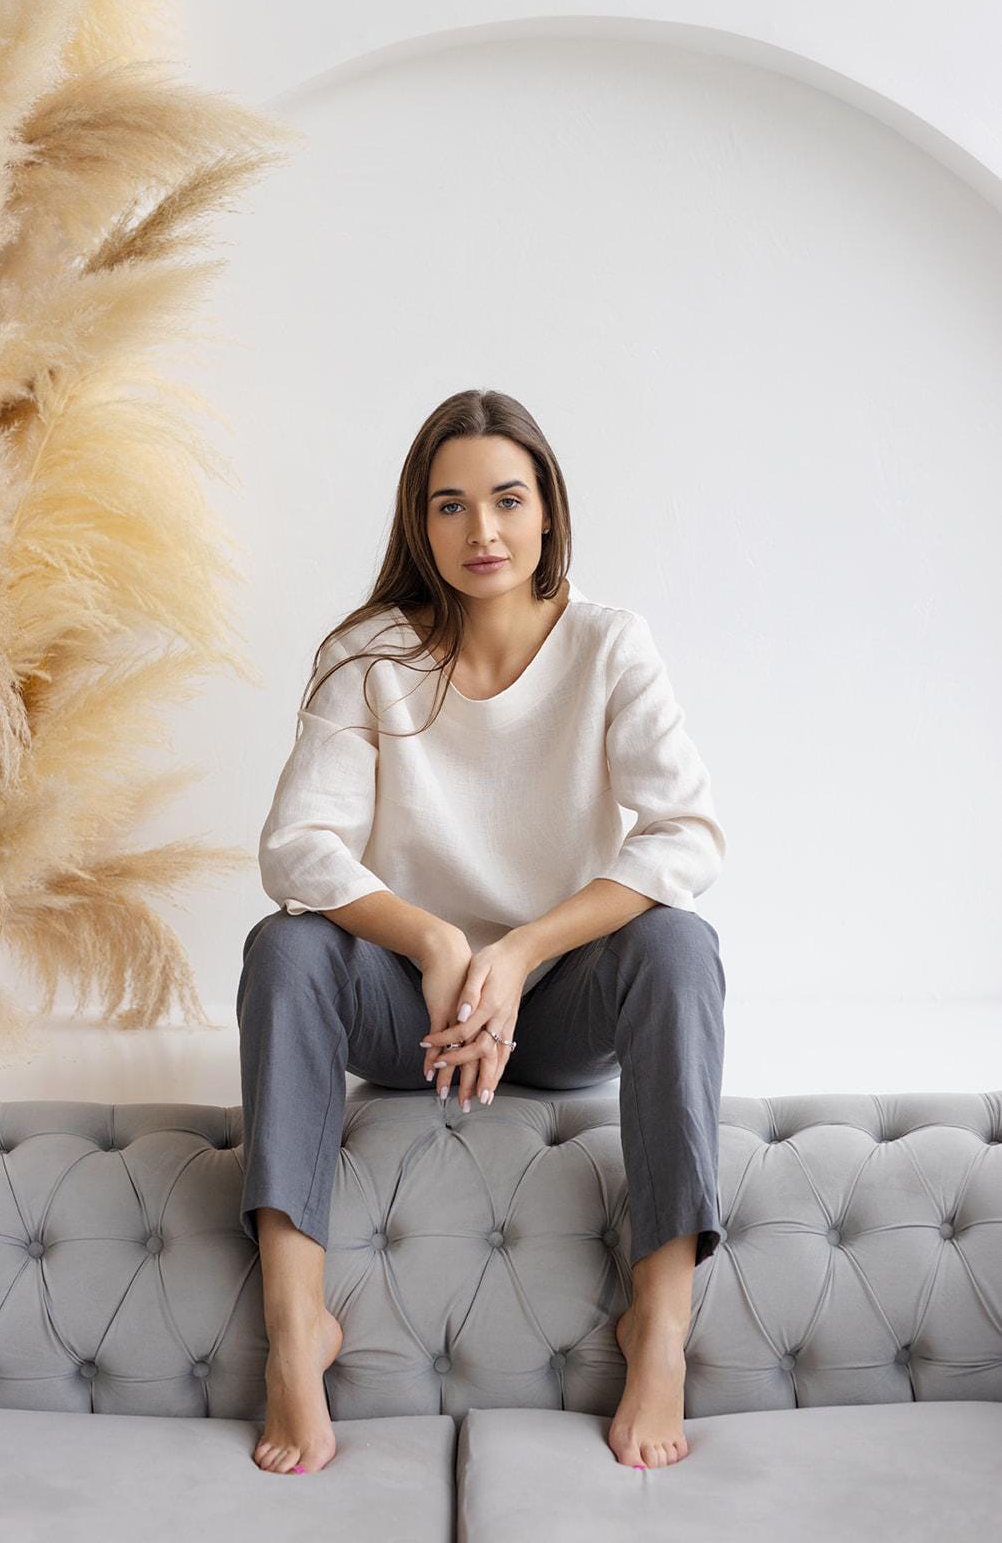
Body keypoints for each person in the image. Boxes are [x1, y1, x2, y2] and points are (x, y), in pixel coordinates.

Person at [237, 387, 727, 1478]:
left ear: (548, 509)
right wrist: (434, 943)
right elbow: (295, 848)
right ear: (420, 524)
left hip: (552, 1013)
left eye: (507, 500)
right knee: (286, 945)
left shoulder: (608, 645)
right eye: (449, 507)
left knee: (678, 945)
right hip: (408, 1013)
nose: (482, 532)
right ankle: (293, 1331)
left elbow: (685, 835)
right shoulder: (372, 653)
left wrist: (518, 950)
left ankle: (657, 1331)